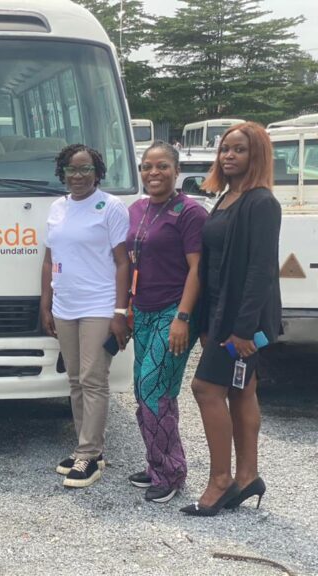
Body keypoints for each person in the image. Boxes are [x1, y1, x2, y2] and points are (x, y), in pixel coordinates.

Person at [181, 122, 281, 516]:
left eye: (238, 150)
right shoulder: (225, 197)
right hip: (219, 314)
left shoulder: (261, 203)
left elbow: (261, 271)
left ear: (255, 155)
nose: (228, 156)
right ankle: (248, 476)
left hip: (242, 322)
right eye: (225, 149)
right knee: (242, 391)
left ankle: (221, 480)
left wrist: (243, 331)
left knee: (205, 388)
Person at [41, 144, 130, 488]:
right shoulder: (57, 208)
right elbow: (50, 260)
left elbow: (123, 261)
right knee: (75, 379)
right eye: (71, 170)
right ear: (61, 172)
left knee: (94, 379)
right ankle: (87, 448)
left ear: (98, 172)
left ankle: (88, 454)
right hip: (66, 306)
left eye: (85, 169)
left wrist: (120, 312)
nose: (78, 177)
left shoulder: (110, 207)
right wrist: (45, 304)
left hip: (99, 305)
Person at [126, 141, 208, 503]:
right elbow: (132, 263)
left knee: (156, 390)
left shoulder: (190, 212)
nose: (153, 173)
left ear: (177, 171)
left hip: (173, 313)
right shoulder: (138, 209)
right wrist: (127, 306)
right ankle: (157, 463)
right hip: (142, 311)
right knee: (144, 392)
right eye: (147, 167)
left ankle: (171, 473)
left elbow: (198, 269)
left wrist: (183, 317)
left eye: (162, 166)